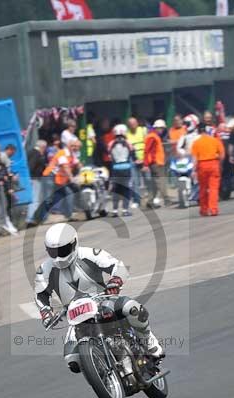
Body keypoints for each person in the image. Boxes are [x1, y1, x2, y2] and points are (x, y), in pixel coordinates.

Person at [34, 223, 163, 374]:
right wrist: (45, 312)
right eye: (52, 252)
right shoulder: (45, 269)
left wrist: (115, 281)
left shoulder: (89, 254)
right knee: (73, 361)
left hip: (103, 299)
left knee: (132, 308)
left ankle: (148, 341)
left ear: (74, 243)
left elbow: (118, 266)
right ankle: (102, 370)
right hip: (75, 314)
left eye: (62, 250)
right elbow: (40, 295)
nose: (58, 256)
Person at [190, 123, 225, 216]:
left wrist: (193, 170)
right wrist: (219, 164)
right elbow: (222, 155)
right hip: (214, 164)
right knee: (213, 188)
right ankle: (213, 209)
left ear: (198, 131)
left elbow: (194, 159)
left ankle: (204, 210)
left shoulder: (196, 143)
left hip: (202, 165)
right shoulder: (214, 140)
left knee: (203, 188)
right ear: (206, 130)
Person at [144, 119, 168, 208]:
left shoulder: (153, 136)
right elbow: (148, 151)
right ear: (157, 128)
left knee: (154, 183)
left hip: (156, 162)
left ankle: (150, 201)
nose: (162, 131)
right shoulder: (152, 136)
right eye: (161, 129)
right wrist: (147, 163)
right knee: (161, 181)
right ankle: (166, 199)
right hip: (156, 163)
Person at [26, 139, 50, 227]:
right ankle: (31, 219)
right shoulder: (36, 153)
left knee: (35, 199)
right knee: (35, 199)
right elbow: (31, 166)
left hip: (34, 179)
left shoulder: (32, 152)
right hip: (35, 179)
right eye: (45, 148)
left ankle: (31, 218)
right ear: (42, 147)